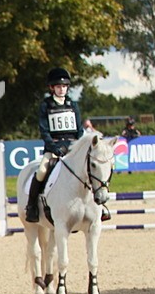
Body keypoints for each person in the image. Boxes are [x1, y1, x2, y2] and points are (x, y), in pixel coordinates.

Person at [26, 67, 109, 222]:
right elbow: (44, 131)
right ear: (52, 88)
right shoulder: (46, 105)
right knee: (41, 171)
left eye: (64, 86)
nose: (62, 89)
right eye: (58, 86)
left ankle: (100, 205)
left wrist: (82, 144)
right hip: (54, 147)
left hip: (73, 148)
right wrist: (53, 147)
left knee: (91, 169)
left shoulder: (73, 104)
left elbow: (78, 129)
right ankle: (32, 207)